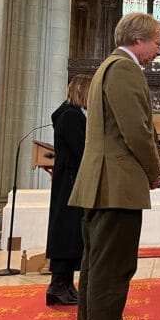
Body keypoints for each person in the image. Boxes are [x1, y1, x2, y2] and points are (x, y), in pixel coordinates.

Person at [68, 12, 160, 320]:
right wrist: (154, 170)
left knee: (95, 272)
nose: (159, 50)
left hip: (101, 185)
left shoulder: (106, 68)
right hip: (116, 187)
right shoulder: (124, 68)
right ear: (138, 39)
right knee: (112, 273)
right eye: (157, 43)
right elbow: (136, 130)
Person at [45, 74, 91, 306]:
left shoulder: (72, 115)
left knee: (73, 234)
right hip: (70, 183)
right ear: (82, 92)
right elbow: (81, 150)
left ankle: (65, 284)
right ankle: (57, 285)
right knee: (66, 233)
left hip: (71, 181)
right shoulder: (70, 117)